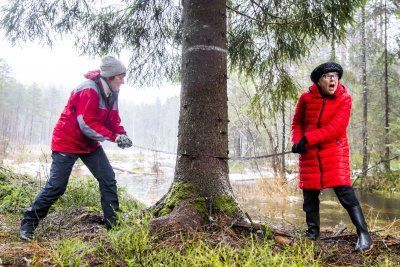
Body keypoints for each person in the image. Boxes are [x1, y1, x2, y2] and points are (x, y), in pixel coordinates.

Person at [19, 55, 133, 241]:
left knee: (108, 179)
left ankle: (114, 225)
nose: (123, 81)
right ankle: (28, 224)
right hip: (67, 142)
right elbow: (86, 124)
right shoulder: (88, 90)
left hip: (89, 144)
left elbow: (113, 118)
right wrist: (114, 137)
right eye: (121, 77)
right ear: (110, 76)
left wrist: (122, 134)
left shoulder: (113, 91)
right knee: (56, 187)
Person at [291, 62, 372, 251]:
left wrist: (307, 138)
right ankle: (312, 234)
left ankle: (364, 235)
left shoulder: (344, 99)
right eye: (327, 76)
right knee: (309, 196)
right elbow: (297, 123)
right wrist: (297, 141)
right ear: (319, 81)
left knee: (346, 195)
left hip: (335, 152)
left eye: (335, 76)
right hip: (309, 154)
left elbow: (336, 129)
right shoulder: (305, 98)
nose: (332, 79)